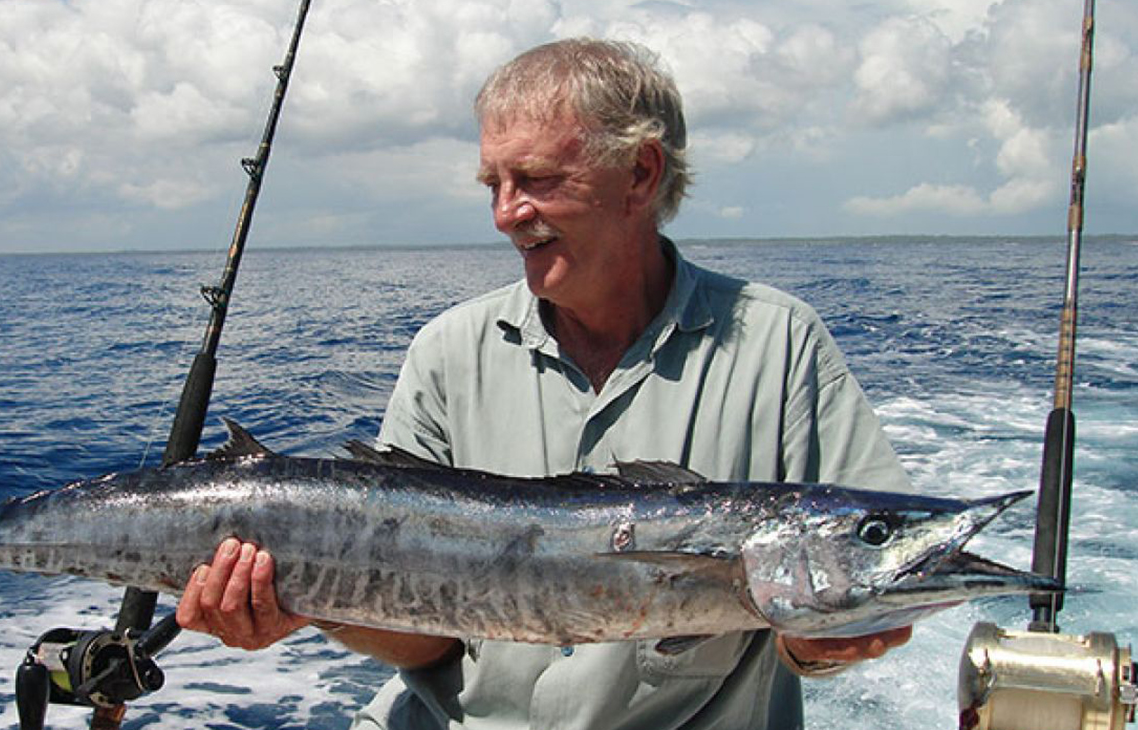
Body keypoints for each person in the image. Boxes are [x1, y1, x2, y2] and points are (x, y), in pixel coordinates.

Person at [175, 38, 914, 729]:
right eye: (493, 184)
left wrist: (825, 639)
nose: (505, 214)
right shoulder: (448, 350)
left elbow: (842, 595)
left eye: (536, 181)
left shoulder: (780, 342)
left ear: (641, 174)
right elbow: (427, 643)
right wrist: (320, 604)